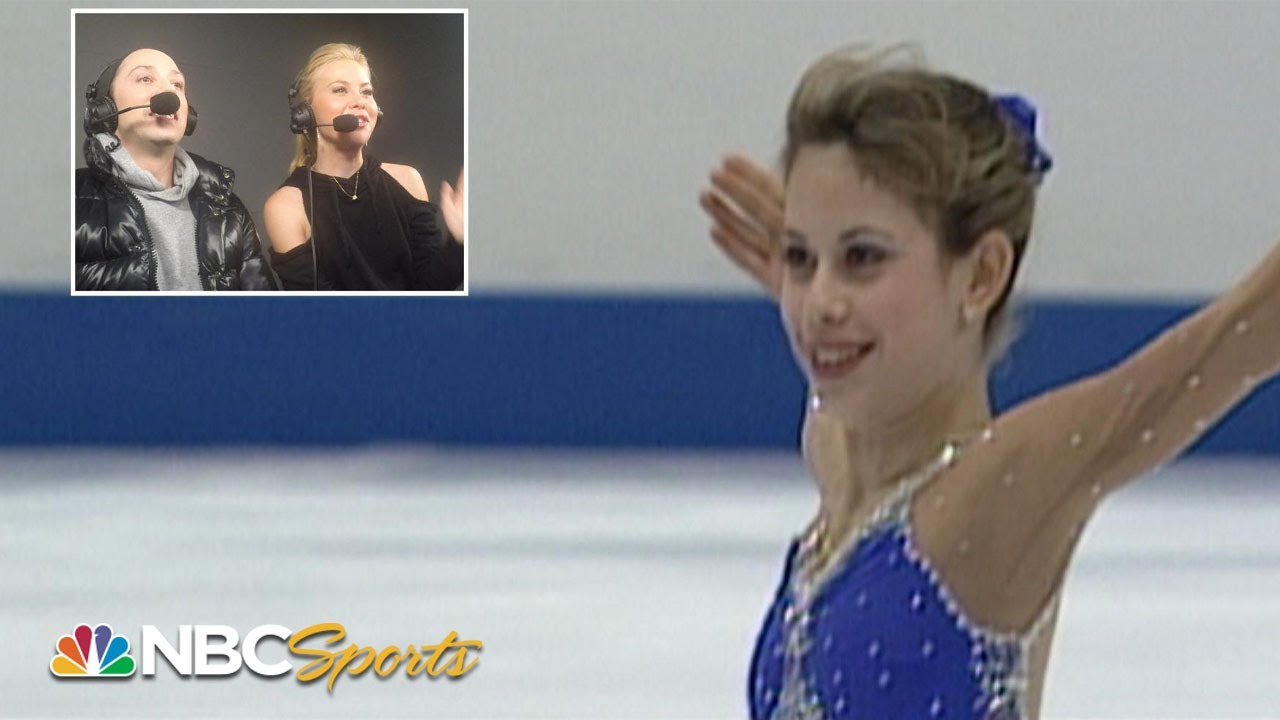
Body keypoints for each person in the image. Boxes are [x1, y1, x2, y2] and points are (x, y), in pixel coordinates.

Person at [700, 47, 1278, 718]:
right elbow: (835, 425)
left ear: (980, 276)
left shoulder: (996, 498)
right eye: (802, 258)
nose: (821, 299)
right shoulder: (850, 477)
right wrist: (825, 299)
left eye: (863, 258)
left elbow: (1227, 343)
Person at [263, 43, 464, 291]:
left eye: (366, 92)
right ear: (306, 112)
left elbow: (431, 288)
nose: (359, 102)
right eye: (340, 90)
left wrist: (459, 243)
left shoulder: (407, 180)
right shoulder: (285, 207)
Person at [76, 48, 278, 291]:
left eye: (177, 84)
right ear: (104, 108)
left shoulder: (228, 208)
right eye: (145, 78)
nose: (168, 91)